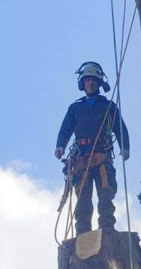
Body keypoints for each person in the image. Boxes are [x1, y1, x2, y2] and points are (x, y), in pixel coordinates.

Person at [55, 62, 130, 235]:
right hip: (81, 160)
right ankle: (83, 233)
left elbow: (120, 127)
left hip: (102, 157)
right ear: (82, 84)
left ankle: (106, 228)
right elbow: (65, 129)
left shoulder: (108, 106)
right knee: (82, 199)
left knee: (105, 193)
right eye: (87, 80)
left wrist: (125, 147)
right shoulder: (75, 108)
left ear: (99, 83)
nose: (90, 83)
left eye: (94, 80)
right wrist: (60, 146)